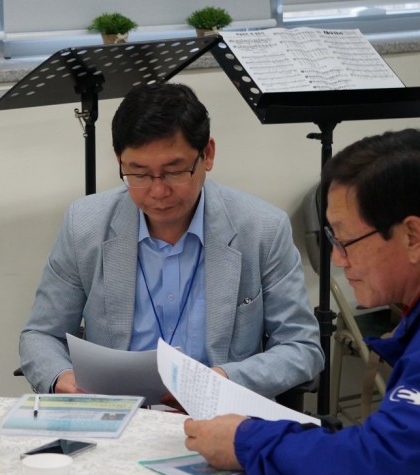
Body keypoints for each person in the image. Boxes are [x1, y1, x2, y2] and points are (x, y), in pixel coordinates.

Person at [183, 128, 420, 475]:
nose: (338, 259)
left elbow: (388, 464)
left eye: (346, 241)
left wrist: (245, 442)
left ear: (413, 236)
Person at [19, 82, 323, 401]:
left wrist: (221, 380)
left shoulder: (262, 229)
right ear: (120, 162)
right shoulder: (84, 225)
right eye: (139, 174)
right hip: (117, 414)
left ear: (207, 154)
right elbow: (40, 335)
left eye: (174, 171)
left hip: (219, 415)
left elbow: (301, 347)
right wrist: (62, 377)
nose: (158, 191)